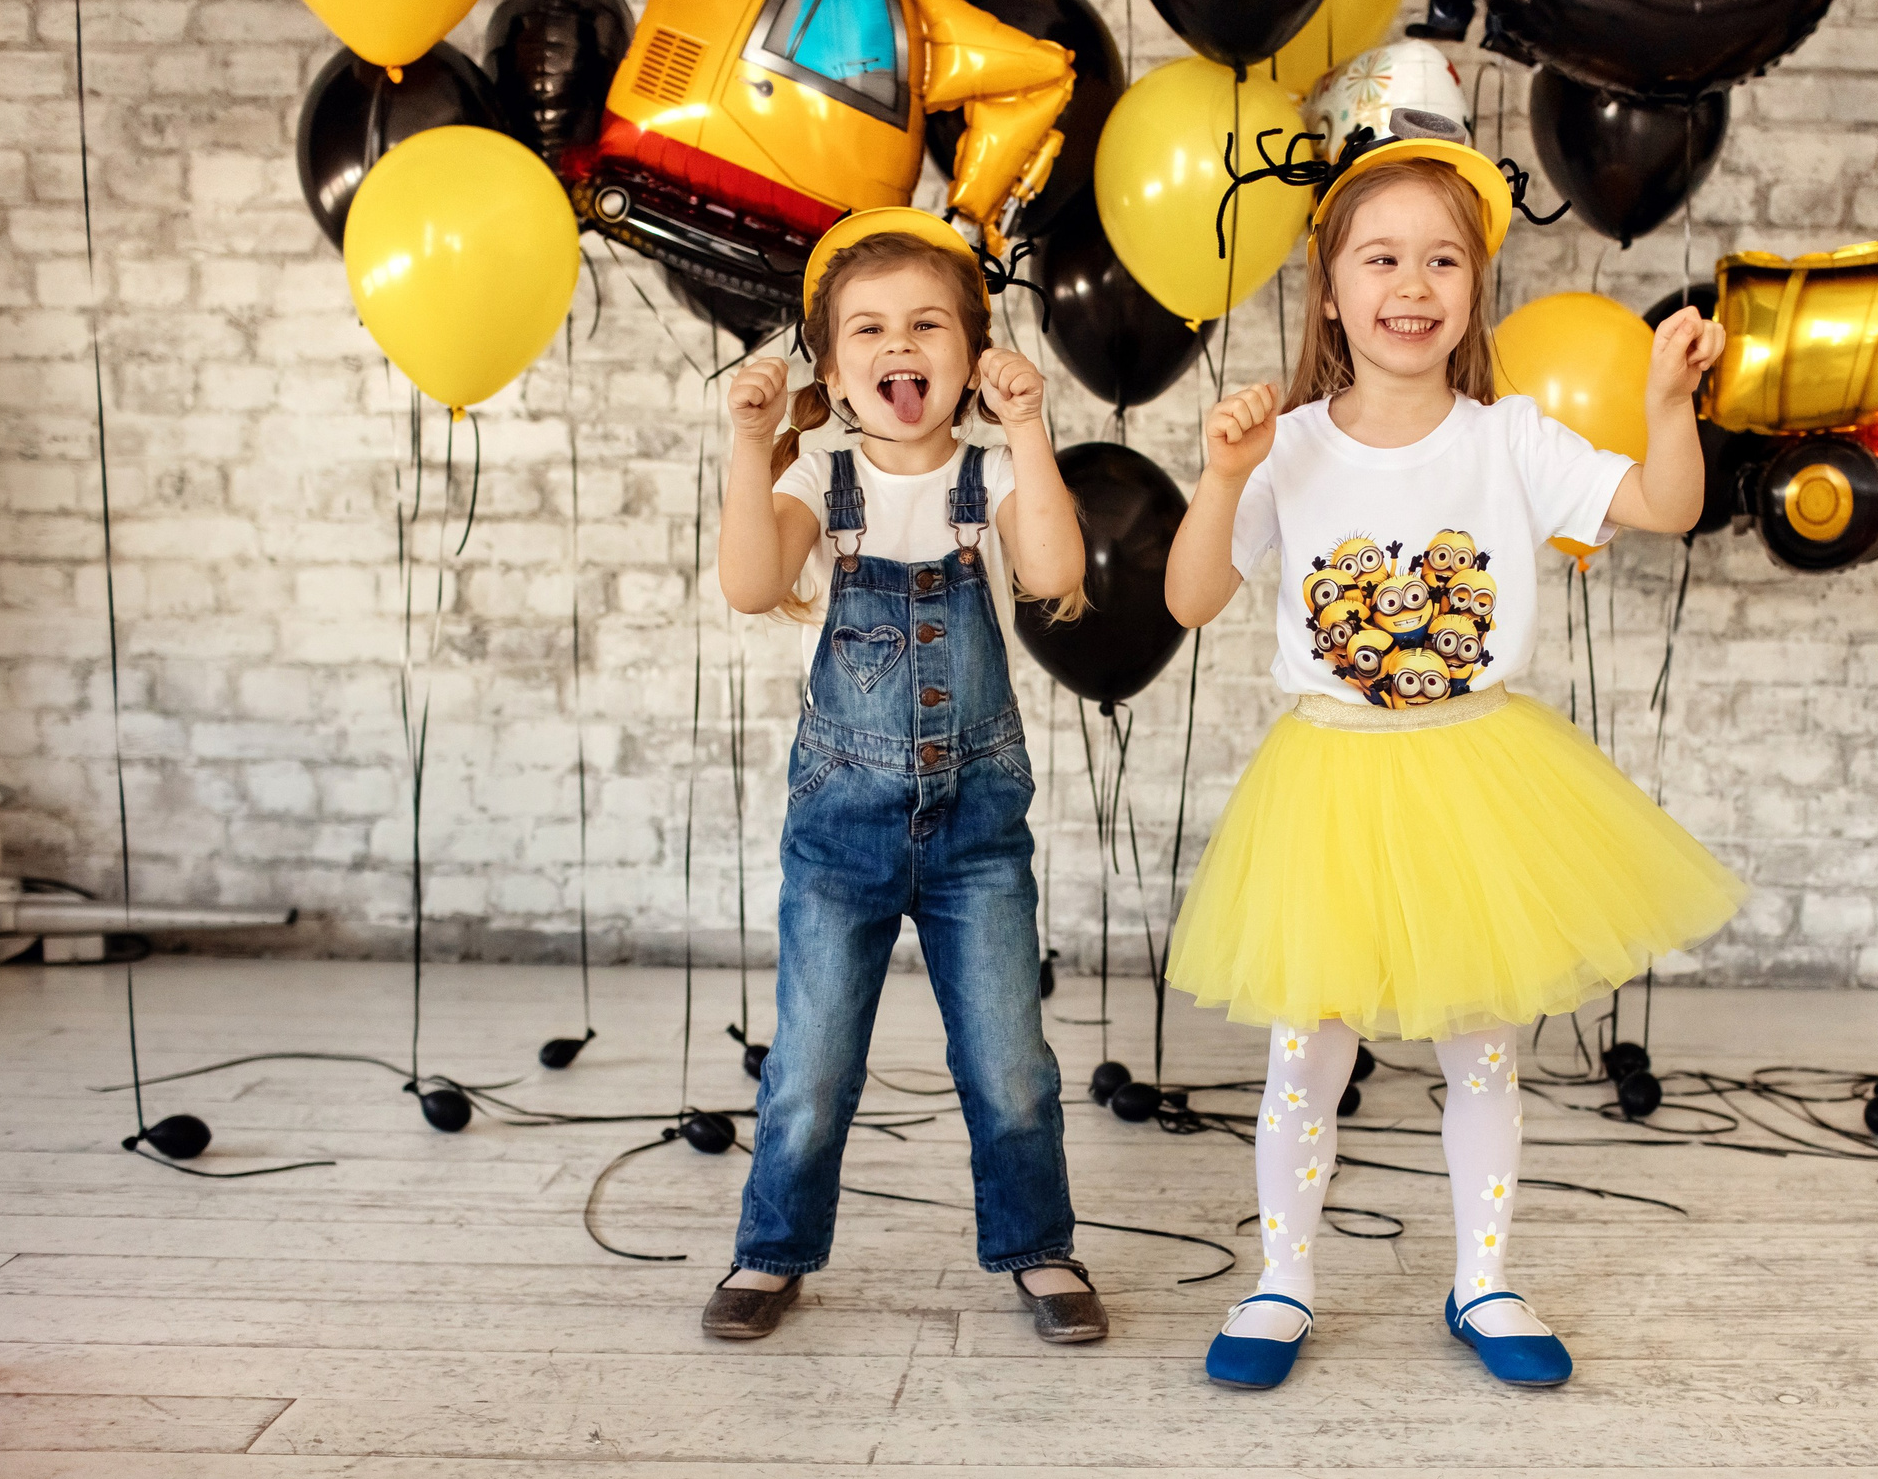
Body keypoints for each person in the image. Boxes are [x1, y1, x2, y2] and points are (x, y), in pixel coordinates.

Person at [1163, 113, 1746, 1390]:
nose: (1411, 285)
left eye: (1442, 259)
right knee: (1305, 1050)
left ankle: (1483, 1276)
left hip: (1476, 773)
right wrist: (1219, 477)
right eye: (1378, 258)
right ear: (1328, 289)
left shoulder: (1508, 439)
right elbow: (1190, 599)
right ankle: (1282, 1277)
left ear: (1477, 286)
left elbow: (1665, 504)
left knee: (1481, 1046)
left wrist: (1665, 402)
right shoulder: (1291, 445)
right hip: (1329, 779)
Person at [708, 208, 1105, 1346]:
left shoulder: (988, 476)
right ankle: (770, 1250)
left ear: (972, 361)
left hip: (977, 833)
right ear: (831, 373)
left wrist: (1031, 430)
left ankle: (1040, 1246)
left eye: (927, 324)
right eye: (870, 329)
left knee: (1011, 1061)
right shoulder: (820, 480)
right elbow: (747, 584)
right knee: (812, 1063)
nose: (900, 343)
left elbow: (1054, 570)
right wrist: (749, 442)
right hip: (842, 833)